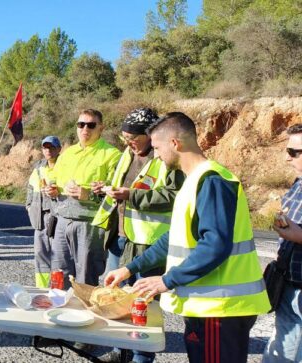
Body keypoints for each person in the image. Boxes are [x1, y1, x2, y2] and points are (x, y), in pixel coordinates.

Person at [105, 112, 270, 363]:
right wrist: (130, 268)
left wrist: (167, 281)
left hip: (220, 309)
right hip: (206, 306)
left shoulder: (212, 180)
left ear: (175, 143)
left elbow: (215, 245)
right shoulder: (194, 181)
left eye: (158, 148)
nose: (156, 155)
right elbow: (175, 237)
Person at [91, 108, 184, 363]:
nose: (128, 142)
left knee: (144, 306)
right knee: (117, 298)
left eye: (133, 137)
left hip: (149, 244)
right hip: (121, 238)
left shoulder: (167, 158)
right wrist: (105, 190)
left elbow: (174, 196)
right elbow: (120, 185)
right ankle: (122, 351)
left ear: (150, 134)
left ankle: (141, 357)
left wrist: (130, 195)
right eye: (124, 137)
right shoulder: (127, 154)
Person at [46, 109, 122, 287]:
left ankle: (85, 313)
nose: (85, 129)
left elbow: (115, 192)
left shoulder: (112, 155)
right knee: (58, 273)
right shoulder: (67, 153)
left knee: (86, 276)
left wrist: (89, 194)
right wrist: (52, 189)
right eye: (81, 124)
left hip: (89, 224)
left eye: (91, 125)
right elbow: (55, 180)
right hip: (62, 220)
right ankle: (58, 310)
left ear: (101, 128)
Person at [263, 124, 302, 363]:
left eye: (294, 152)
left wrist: (297, 234)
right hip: (288, 283)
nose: (287, 158)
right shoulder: (299, 183)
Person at [26, 136, 61, 288]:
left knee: (59, 255)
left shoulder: (65, 166)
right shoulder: (38, 166)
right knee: (40, 254)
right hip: (40, 217)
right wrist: (28, 206)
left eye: (51, 147)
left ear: (59, 149)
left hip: (57, 217)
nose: (48, 150)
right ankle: (41, 288)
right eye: (45, 148)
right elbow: (30, 188)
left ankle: (57, 288)